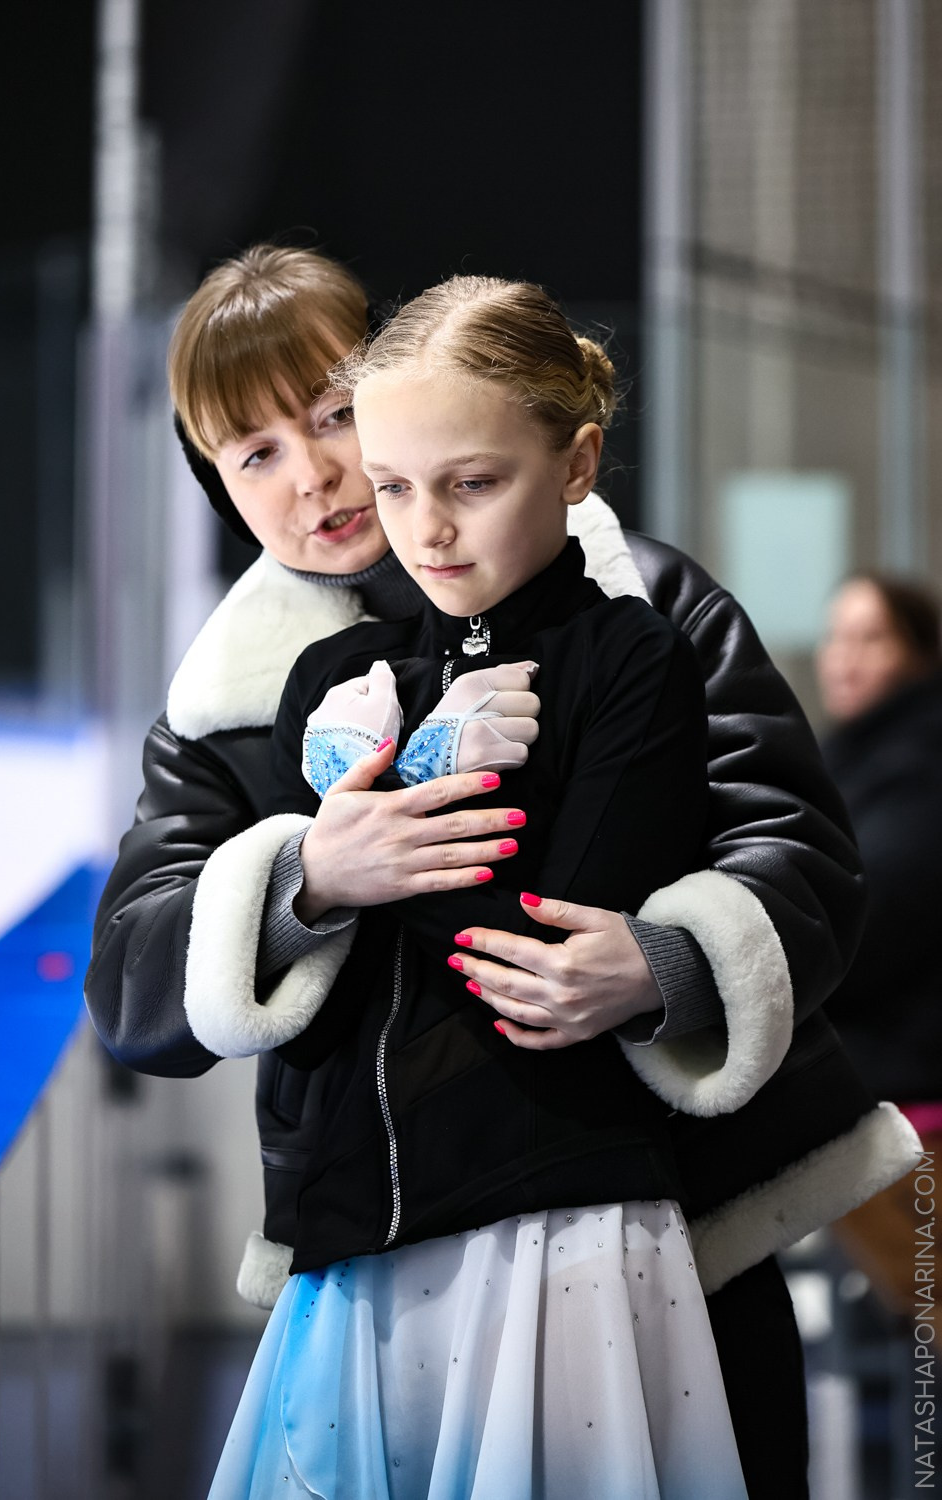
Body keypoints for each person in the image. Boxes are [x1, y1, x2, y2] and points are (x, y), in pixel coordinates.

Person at [84, 245, 917, 1497]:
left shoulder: (651, 609)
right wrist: (302, 875)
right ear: (214, 484)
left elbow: (800, 855)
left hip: (677, 1232)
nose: (312, 478)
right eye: (251, 454)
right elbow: (132, 982)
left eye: (325, 417)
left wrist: (667, 963)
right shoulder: (225, 711)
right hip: (377, 1257)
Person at [816, 572, 942, 1317]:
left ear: (919, 655)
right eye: (838, 636)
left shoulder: (918, 766)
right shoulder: (856, 758)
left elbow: (867, 928)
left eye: (872, 638)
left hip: (913, 1115)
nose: (845, 658)